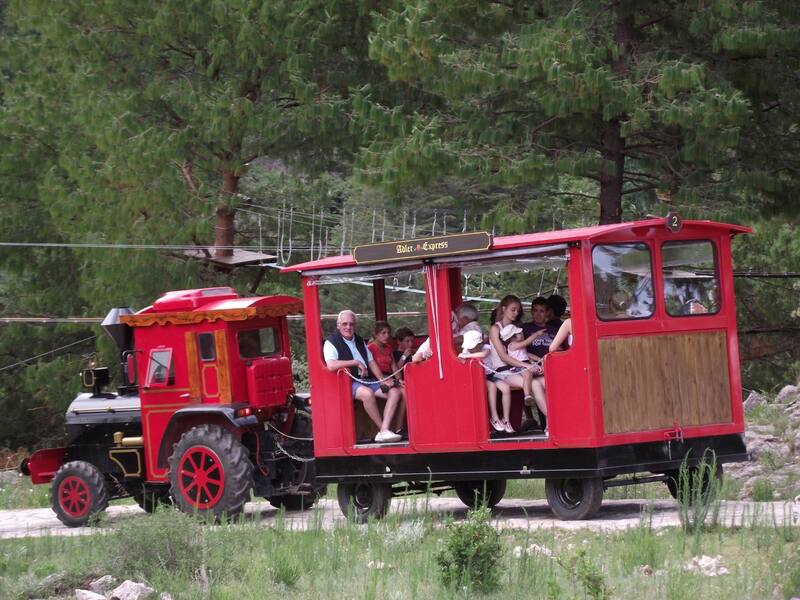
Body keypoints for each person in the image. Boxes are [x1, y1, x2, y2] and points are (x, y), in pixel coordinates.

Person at [323, 310, 402, 443]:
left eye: (351, 324)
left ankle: (384, 430)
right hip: (348, 382)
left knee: (395, 392)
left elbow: (371, 361)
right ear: (338, 325)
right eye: (345, 324)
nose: (348, 327)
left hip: (366, 380)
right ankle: (383, 431)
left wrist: (382, 380)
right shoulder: (331, 342)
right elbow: (331, 365)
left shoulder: (359, 340)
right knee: (367, 394)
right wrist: (355, 362)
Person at [486, 295, 530, 433]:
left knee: (533, 383)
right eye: (513, 309)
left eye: (518, 310)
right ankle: (503, 419)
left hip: (511, 369)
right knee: (528, 382)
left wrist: (531, 363)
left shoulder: (515, 329)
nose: (516, 313)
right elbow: (503, 357)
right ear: (504, 309)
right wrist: (526, 365)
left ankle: (547, 424)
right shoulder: (495, 329)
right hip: (499, 370)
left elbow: (519, 350)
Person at [458, 330, 512, 434]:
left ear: (480, 344)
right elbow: (462, 361)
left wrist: (466, 356)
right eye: (470, 347)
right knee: (492, 387)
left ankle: (506, 420)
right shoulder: (466, 350)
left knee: (506, 388)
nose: (471, 349)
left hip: (490, 374)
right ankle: (494, 417)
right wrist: (464, 356)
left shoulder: (486, 347)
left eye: (474, 347)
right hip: (479, 378)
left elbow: (483, 354)